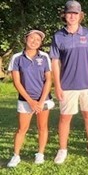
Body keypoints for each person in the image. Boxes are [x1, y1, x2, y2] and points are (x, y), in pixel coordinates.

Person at [50, 0, 88, 163]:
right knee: (65, 117)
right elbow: (55, 63)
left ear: (80, 15)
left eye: (75, 13)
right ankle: (62, 149)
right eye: (69, 13)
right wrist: (57, 85)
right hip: (67, 85)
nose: (72, 16)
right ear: (64, 16)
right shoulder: (58, 37)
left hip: (87, 84)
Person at [7, 30, 54, 167]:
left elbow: (48, 80)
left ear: (41, 43)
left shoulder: (44, 57)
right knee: (22, 129)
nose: (34, 41)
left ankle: (40, 154)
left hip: (43, 100)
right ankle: (16, 156)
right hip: (25, 100)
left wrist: (40, 102)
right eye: (32, 38)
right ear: (26, 39)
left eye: (38, 40)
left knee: (42, 127)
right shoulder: (17, 57)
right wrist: (31, 102)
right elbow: (17, 82)